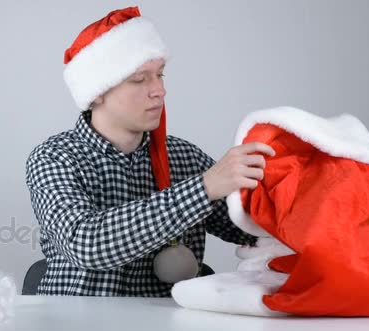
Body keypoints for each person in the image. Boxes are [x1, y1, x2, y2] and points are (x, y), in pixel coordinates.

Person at [25, 6, 275, 296]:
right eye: (140, 79)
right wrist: (203, 189)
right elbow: (86, 245)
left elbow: (251, 229)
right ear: (96, 94)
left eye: (160, 75)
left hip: (166, 327)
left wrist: (284, 192)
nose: (159, 90)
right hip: (77, 326)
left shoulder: (186, 158)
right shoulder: (54, 157)